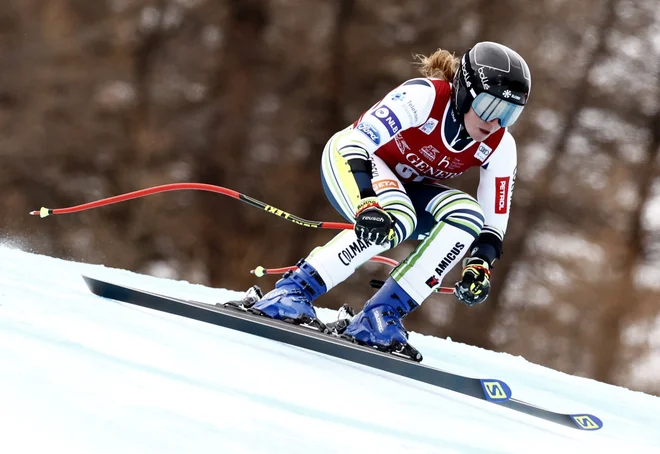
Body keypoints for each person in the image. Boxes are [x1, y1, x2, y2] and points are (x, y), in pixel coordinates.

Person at [250, 41, 531, 353]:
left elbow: (493, 224)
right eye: (490, 107)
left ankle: (381, 314)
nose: (495, 123)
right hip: (352, 160)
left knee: (468, 215)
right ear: (464, 91)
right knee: (396, 216)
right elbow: (357, 142)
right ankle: (293, 291)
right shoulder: (425, 97)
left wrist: (479, 265)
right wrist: (368, 201)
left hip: (406, 188)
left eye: (509, 113)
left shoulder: (501, 146)